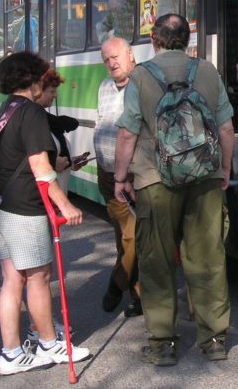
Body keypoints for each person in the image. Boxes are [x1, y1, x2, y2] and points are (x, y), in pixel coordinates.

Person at [114, 14, 235, 366]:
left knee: (157, 261)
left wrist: (121, 177)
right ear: (188, 38)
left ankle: (162, 343)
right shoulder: (208, 71)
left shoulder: (140, 76)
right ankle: (213, 339)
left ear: (154, 39)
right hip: (205, 179)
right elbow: (226, 129)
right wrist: (224, 168)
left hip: (155, 180)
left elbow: (127, 133)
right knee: (208, 258)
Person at [0, 51, 90, 375]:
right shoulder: (31, 111)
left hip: (4, 205)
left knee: (12, 280)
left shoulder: (8, 108)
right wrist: (66, 204)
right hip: (27, 207)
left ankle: (12, 352)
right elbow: (41, 167)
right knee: (38, 277)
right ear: (31, 78)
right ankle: (48, 342)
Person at [94, 37, 141, 317]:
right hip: (107, 174)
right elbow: (102, 120)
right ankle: (138, 297)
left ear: (130, 54)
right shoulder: (104, 87)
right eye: (106, 59)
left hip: (134, 176)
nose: (111, 63)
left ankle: (117, 282)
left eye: (116, 56)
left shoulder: (142, 85)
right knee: (121, 237)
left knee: (133, 239)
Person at [36, 69, 84, 193]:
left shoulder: (46, 120)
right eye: (52, 91)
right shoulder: (33, 123)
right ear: (37, 91)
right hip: (44, 203)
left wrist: (68, 162)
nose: (56, 95)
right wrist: (52, 163)